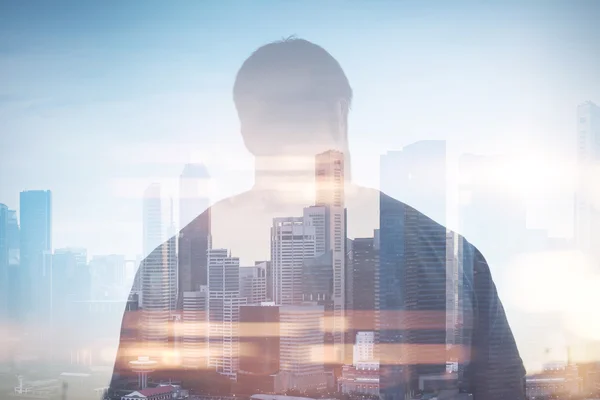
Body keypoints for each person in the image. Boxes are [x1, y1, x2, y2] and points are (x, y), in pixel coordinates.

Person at [109, 38, 525, 400]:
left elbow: (131, 389)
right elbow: (502, 387)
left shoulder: (170, 261)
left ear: (245, 127)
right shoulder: (449, 253)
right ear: (340, 112)